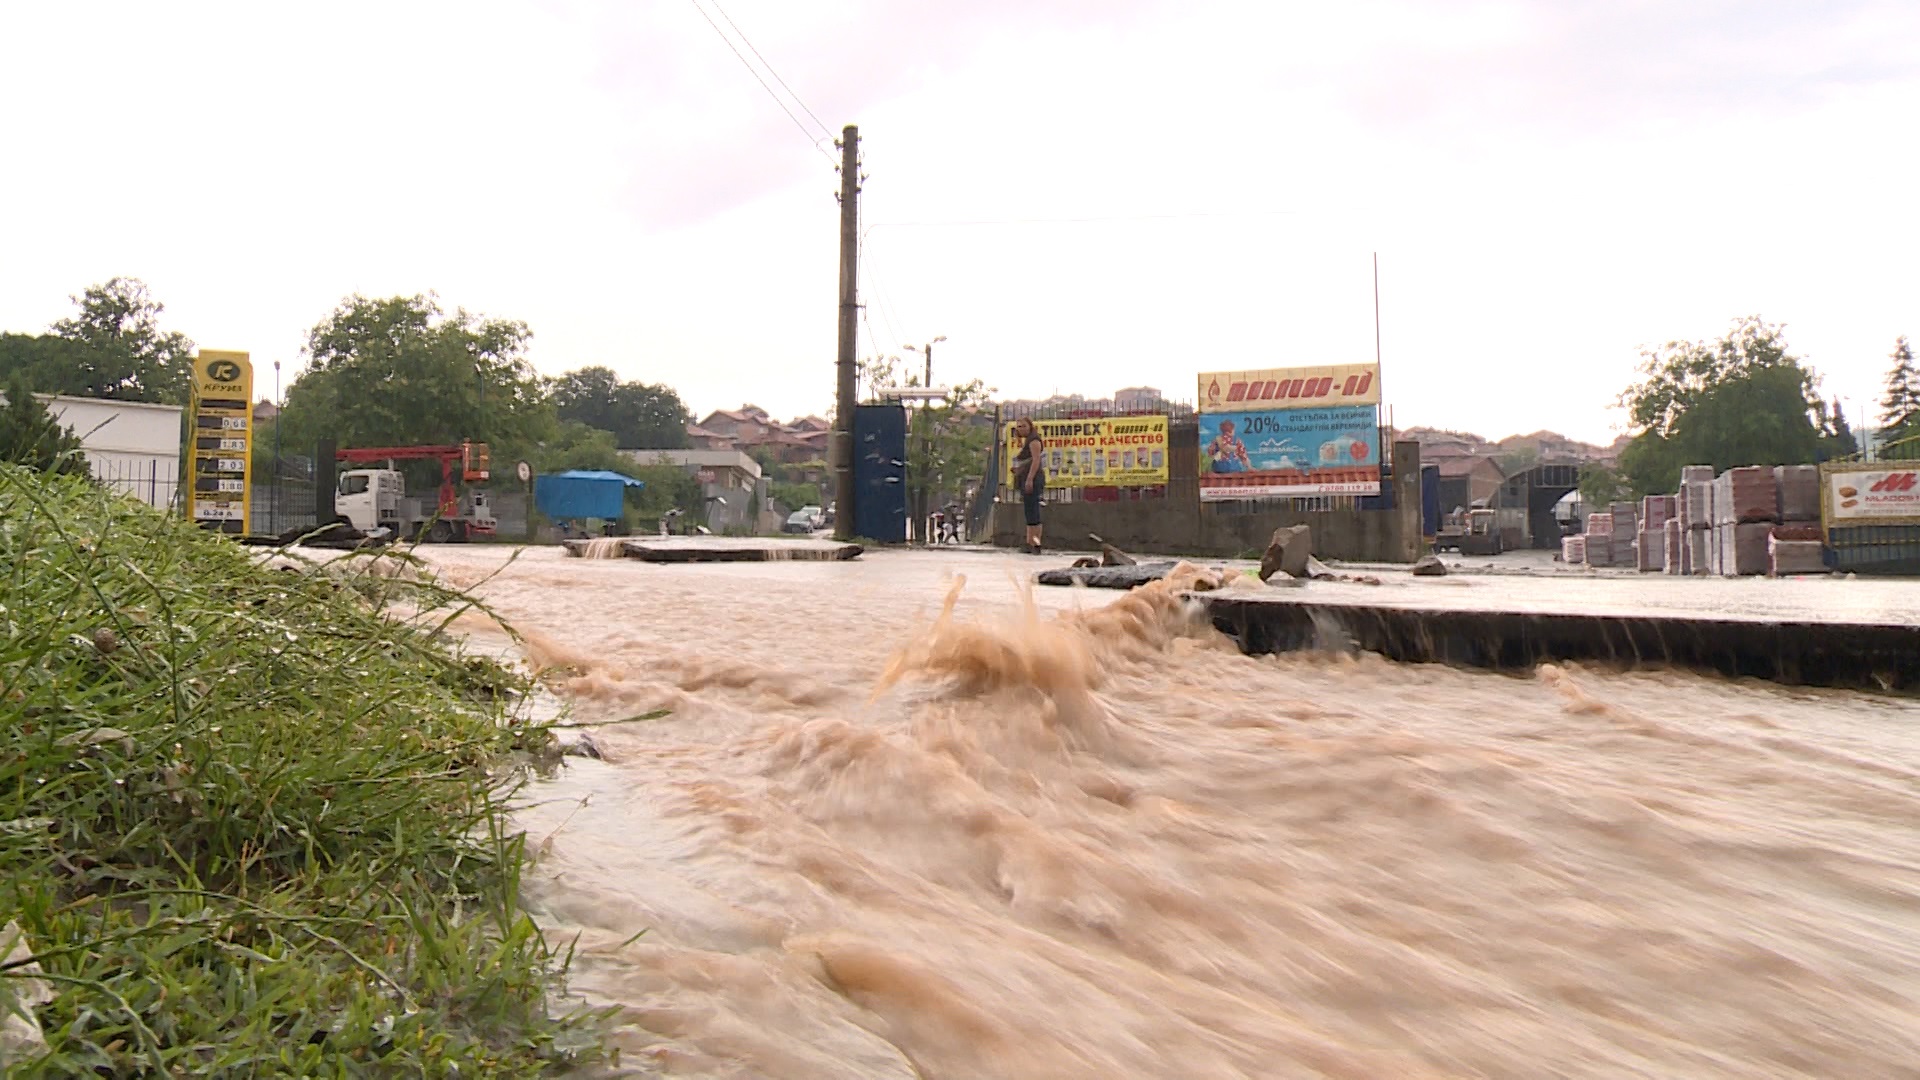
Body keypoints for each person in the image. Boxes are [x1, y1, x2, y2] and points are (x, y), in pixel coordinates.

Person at [1011, 418, 1046, 554]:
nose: (1021, 429)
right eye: (1018, 426)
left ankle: (1035, 543)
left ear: (1030, 426)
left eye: (1023, 426)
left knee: (1033, 511)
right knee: (1029, 511)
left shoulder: (1034, 440)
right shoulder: (1028, 440)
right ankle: (1030, 542)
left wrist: (1030, 479)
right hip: (1026, 476)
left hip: (1033, 478)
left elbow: (1036, 460)